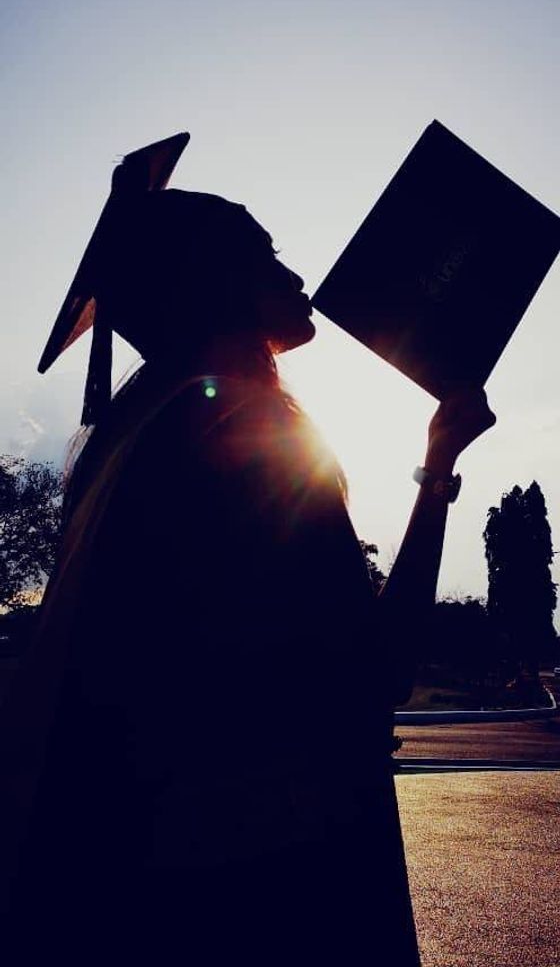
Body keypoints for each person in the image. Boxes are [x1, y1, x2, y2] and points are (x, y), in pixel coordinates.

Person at [2, 135, 496, 964]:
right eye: (265, 253)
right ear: (214, 283)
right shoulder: (251, 425)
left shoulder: (130, 444)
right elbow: (378, 669)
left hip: (164, 888)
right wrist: (438, 465)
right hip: (282, 889)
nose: (295, 273)